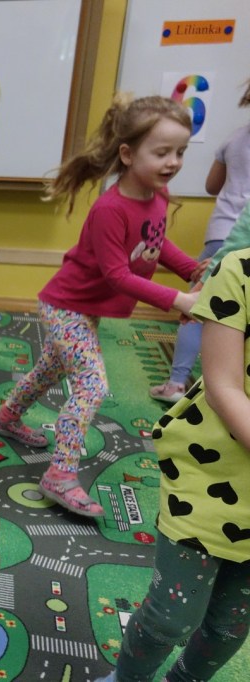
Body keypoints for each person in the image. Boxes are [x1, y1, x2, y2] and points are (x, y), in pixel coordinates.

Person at [0, 94, 200, 518]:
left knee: (50, 369)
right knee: (91, 384)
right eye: (162, 152)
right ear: (127, 154)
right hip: (66, 305)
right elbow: (117, 275)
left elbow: (156, 241)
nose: (173, 162)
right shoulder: (110, 209)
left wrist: (191, 269)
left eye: (180, 152)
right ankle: (60, 474)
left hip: (85, 308)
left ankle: (7, 417)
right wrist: (178, 299)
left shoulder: (156, 194)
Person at [95, 247, 250, 682]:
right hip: (212, 474)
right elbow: (223, 387)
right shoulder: (240, 270)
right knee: (170, 618)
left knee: (230, 626)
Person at [149, 81, 250, 404]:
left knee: (200, 309)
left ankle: (177, 383)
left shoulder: (235, 139)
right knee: (226, 315)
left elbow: (211, 186)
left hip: (224, 234)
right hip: (238, 239)